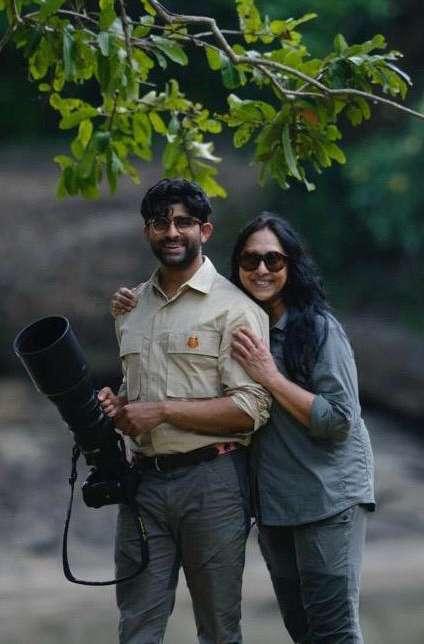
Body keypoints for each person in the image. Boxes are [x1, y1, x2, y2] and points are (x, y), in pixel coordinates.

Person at [112, 212, 375, 643]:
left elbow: (339, 420)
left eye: (274, 260)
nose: (261, 270)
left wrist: (270, 376)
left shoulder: (318, 329)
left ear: (292, 265)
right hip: (272, 504)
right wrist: (136, 306)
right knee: (302, 629)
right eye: (250, 260)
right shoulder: (239, 322)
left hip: (327, 498)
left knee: (334, 631)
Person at [98, 179, 271, 644]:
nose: (172, 232)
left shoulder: (235, 308)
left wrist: (161, 412)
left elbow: (251, 409)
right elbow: (135, 393)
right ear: (147, 232)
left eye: (184, 222)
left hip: (213, 483)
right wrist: (119, 405)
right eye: (160, 223)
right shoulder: (131, 306)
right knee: (136, 627)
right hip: (142, 484)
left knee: (218, 629)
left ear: (204, 230)